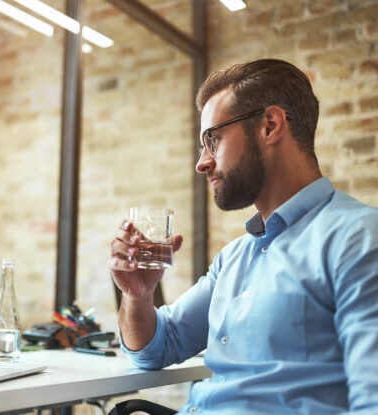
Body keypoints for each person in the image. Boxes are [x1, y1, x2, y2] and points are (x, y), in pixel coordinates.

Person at [109, 59, 378, 414]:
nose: (201, 163)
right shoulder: (234, 257)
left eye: (213, 140)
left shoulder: (357, 239)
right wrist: (137, 297)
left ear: (270, 125)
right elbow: (157, 347)